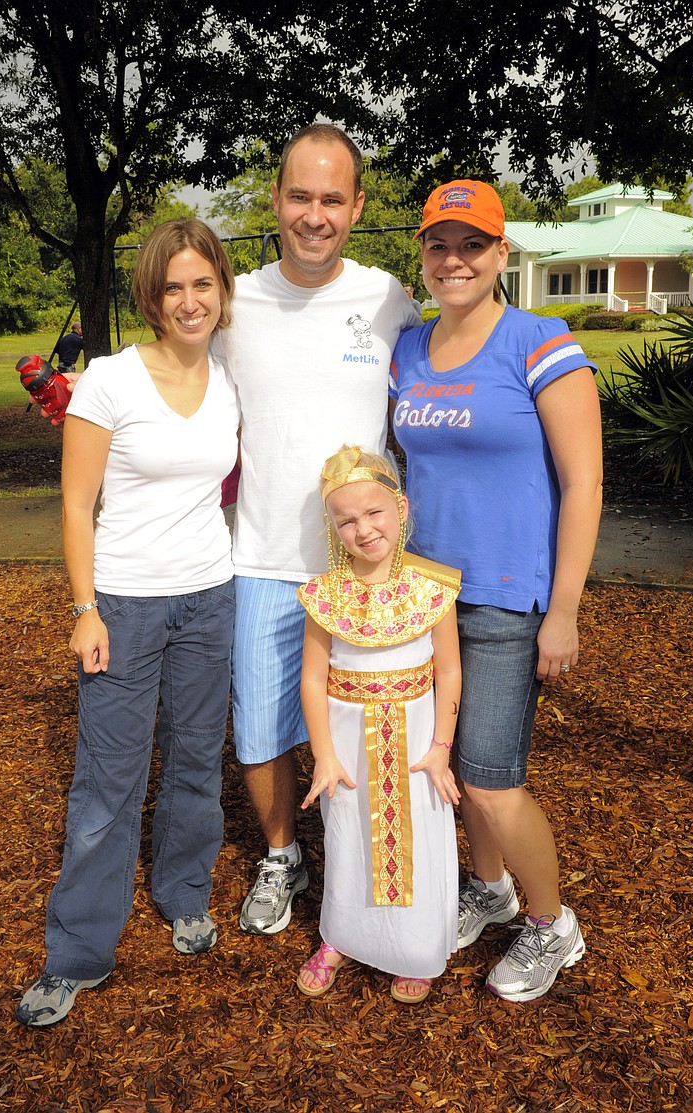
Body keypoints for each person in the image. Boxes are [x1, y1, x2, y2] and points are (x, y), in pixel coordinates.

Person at [15, 218, 240, 1028]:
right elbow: (78, 504)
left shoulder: (228, 377)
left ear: (221, 290)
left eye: (202, 284)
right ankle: (77, 950)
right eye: (173, 286)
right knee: (108, 783)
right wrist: (85, 609)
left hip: (210, 595)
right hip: (125, 603)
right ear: (151, 294)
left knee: (191, 760)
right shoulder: (111, 379)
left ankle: (184, 893)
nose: (189, 300)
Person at [390, 179, 603, 1002]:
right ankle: (489, 888)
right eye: (440, 245)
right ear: (424, 254)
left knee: (490, 775)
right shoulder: (409, 351)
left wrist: (566, 610)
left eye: (473, 245)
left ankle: (553, 925)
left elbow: (583, 484)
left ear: (500, 253)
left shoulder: (537, 342)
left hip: (508, 599)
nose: (455, 260)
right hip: (426, 597)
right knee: (450, 771)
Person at [215, 124, 422, 936]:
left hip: (364, 562)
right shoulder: (236, 303)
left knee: (368, 724)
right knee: (262, 726)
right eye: (299, 195)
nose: (314, 213)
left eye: (332, 198)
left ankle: (365, 859)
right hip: (264, 556)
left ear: (356, 206)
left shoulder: (388, 297)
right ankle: (281, 854)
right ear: (276, 199)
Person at [296, 445, 462, 1004]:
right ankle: (340, 937)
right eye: (347, 520)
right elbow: (313, 680)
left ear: (401, 508)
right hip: (345, 745)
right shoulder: (326, 598)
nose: (364, 529)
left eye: (375, 513)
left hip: (417, 744)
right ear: (333, 527)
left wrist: (441, 747)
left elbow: (449, 670)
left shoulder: (432, 588)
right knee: (348, 836)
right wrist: (323, 753)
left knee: (415, 834)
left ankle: (413, 949)